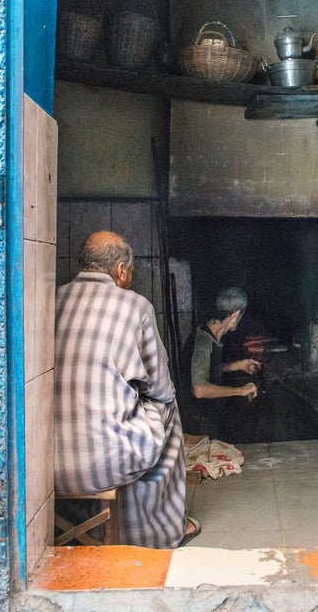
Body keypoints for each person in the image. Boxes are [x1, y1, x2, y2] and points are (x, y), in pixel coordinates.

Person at [54, 231, 198, 549]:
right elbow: (160, 386)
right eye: (130, 272)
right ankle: (159, 531)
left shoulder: (52, 299)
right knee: (166, 411)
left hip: (45, 466)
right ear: (121, 270)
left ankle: (84, 529)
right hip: (104, 466)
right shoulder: (136, 306)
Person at [177, 287, 261, 439]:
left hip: (207, 417)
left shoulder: (213, 336)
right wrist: (240, 390)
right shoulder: (203, 341)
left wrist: (239, 365)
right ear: (235, 315)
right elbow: (200, 390)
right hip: (197, 424)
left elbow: (210, 368)